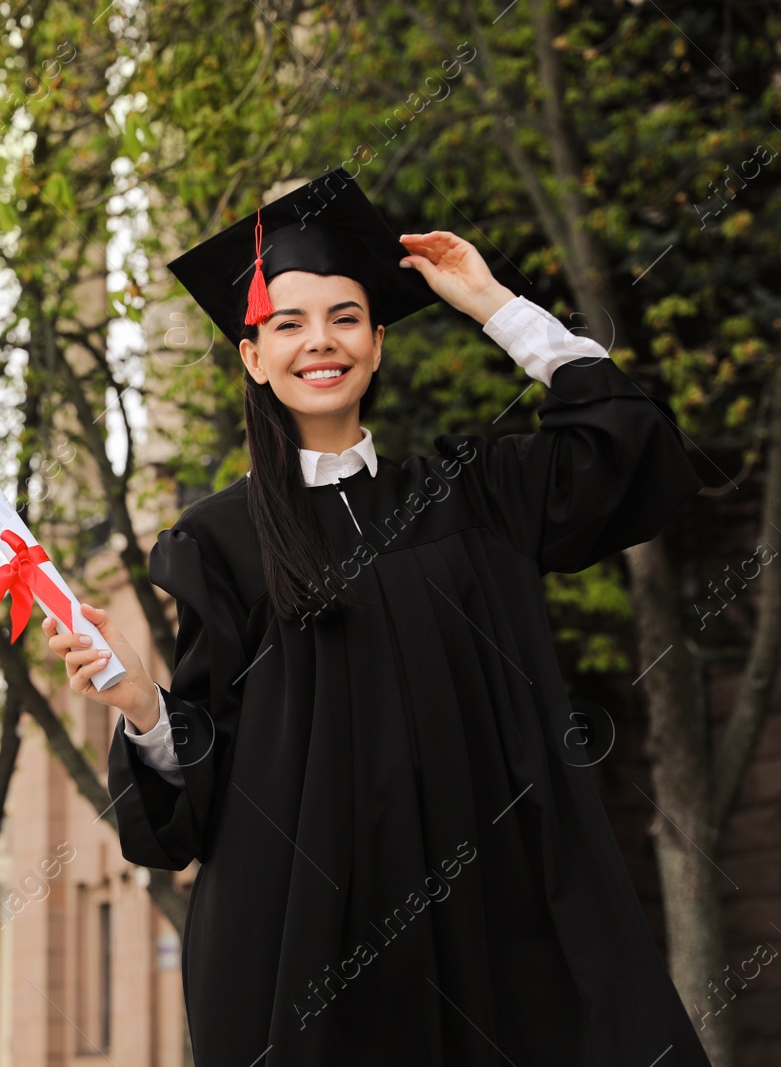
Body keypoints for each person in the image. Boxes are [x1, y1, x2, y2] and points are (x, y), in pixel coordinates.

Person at [43, 168, 710, 1065]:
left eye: (345, 317)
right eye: (288, 323)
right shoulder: (222, 543)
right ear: (252, 357)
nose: (320, 342)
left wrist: (496, 305)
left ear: (378, 341)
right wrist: (141, 705)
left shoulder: (472, 498)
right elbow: (197, 803)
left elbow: (629, 449)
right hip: (317, 960)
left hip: (498, 934)